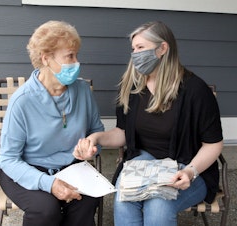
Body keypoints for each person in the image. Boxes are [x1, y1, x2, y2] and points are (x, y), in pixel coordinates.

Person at [74, 21, 223, 226]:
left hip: (188, 165)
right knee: (124, 200)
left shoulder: (195, 91)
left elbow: (213, 144)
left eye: (141, 48)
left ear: (162, 48)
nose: (135, 54)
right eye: (133, 49)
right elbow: (123, 133)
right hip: (143, 162)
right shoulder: (133, 87)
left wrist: (190, 171)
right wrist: (96, 137)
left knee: (158, 208)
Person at [0, 20, 104, 226]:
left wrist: (91, 147)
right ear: (46, 59)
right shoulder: (22, 101)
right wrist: (49, 184)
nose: (76, 62)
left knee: (86, 201)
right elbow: (9, 159)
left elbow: (96, 132)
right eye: (70, 56)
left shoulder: (82, 91)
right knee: (46, 209)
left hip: (70, 168)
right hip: (25, 169)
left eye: (76, 55)